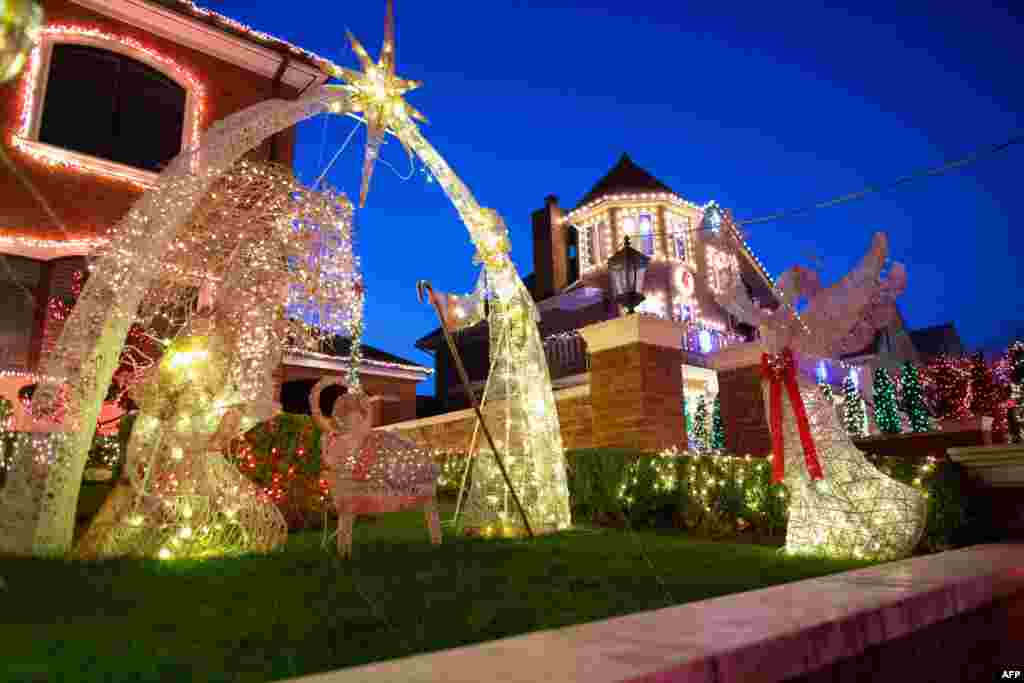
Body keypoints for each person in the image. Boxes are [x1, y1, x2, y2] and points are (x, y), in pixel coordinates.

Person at [310, 376, 440, 557]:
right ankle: (343, 550)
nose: (355, 423)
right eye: (350, 419)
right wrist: (337, 459)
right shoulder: (337, 440)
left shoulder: (373, 437)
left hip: (381, 480)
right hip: (352, 484)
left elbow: (372, 418)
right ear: (342, 421)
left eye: (359, 419)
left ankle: (435, 537)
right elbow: (331, 462)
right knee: (354, 490)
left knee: (416, 474)